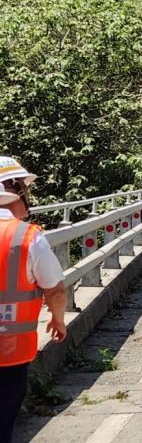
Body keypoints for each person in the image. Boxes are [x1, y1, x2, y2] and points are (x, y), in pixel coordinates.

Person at [0, 156, 67, 443]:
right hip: (10, 352)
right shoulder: (27, 237)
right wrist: (58, 319)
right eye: (24, 190)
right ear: (13, 191)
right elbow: (55, 290)